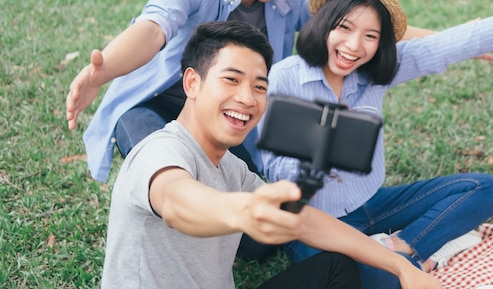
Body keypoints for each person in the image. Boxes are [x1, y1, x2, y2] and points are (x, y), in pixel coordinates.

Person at [65, 0, 440, 184]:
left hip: (228, 116)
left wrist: (445, 39)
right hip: (156, 107)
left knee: (256, 241)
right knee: (167, 169)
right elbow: (152, 28)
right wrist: (104, 70)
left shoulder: (289, 2)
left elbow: (356, 26)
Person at [259, 0, 493, 289]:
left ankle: (401, 247)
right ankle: (416, 259)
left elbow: (439, 48)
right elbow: (273, 168)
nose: (353, 45)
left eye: (370, 36)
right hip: (314, 224)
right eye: (344, 27)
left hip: (371, 204)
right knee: (384, 281)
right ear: (324, 24)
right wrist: (319, 152)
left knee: (483, 188)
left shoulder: (373, 73)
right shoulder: (285, 78)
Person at [100, 20, 443, 289]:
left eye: (260, 86)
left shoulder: (231, 168)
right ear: (192, 83)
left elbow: (307, 222)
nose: (248, 99)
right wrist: (243, 211)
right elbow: (176, 202)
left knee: (335, 268)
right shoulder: (160, 151)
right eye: (231, 80)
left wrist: (400, 266)